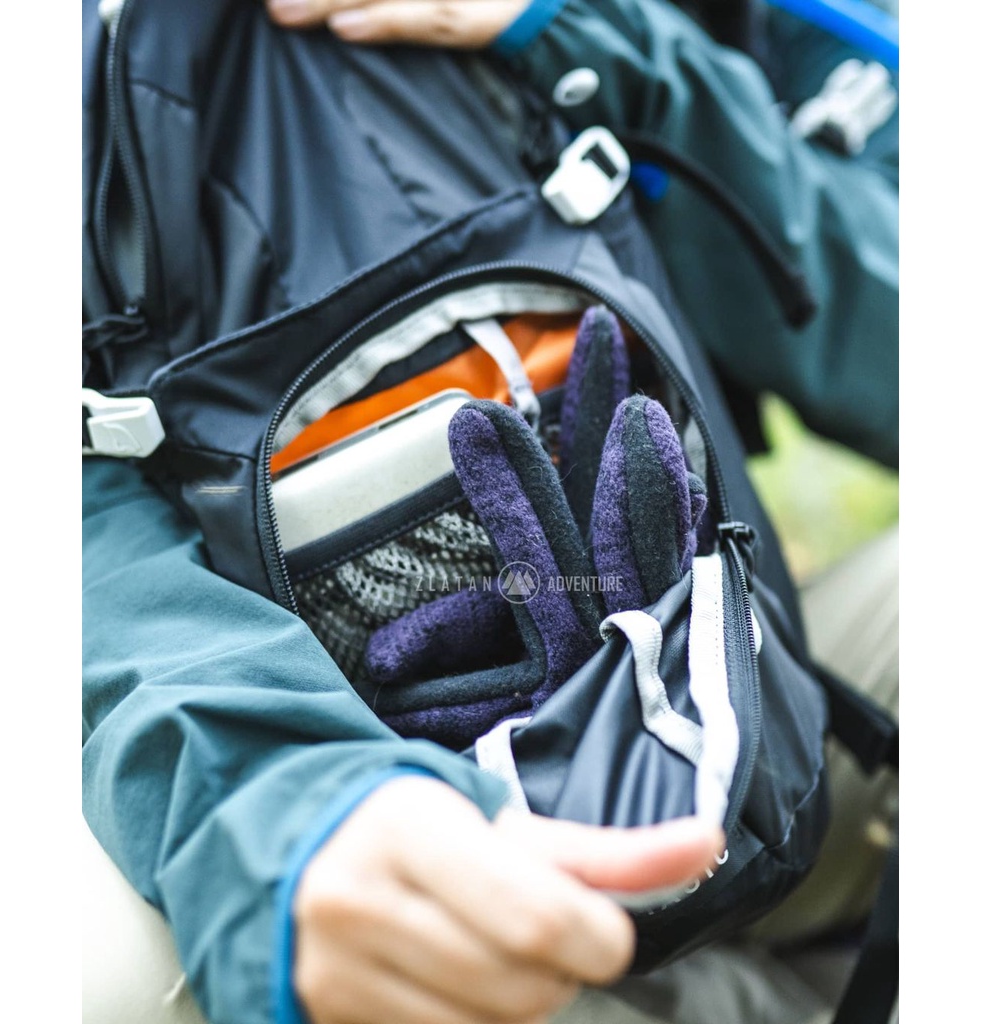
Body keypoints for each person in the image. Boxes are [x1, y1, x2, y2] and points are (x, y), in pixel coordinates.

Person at [82, 2, 899, 1023]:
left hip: (770, 707)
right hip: (369, 805)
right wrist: (270, 785)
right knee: (92, 965)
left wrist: (585, 43)